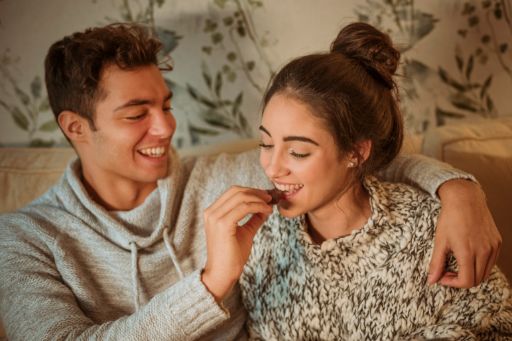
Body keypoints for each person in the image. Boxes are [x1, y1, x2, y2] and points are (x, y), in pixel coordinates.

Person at [0, 23, 502, 340]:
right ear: (75, 128)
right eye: (137, 114)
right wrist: (212, 282)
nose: (167, 128)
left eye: (167, 106)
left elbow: (355, 157)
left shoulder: (234, 179)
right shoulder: (22, 239)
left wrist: (459, 190)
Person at [229, 22, 511, 339]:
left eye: (297, 152)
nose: (272, 167)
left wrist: (461, 188)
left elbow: (498, 327)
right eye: (266, 144)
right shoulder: (260, 236)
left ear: (356, 152)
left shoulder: (428, 229)